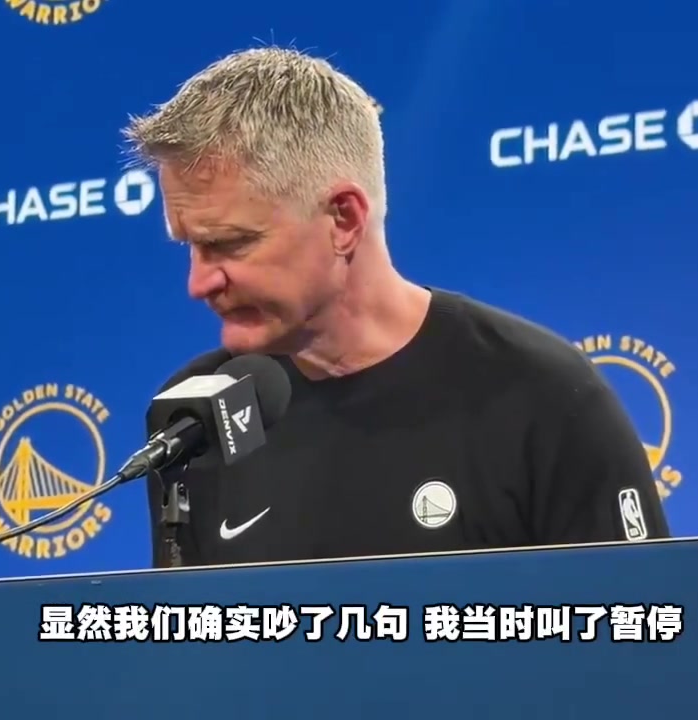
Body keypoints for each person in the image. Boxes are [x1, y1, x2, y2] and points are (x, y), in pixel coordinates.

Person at [123, 47, 669, 568]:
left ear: (344, 219)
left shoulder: (543, 395)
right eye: (190, 246)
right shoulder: (193, 420)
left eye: (230, 243)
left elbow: (644, 619)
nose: (199, 283)